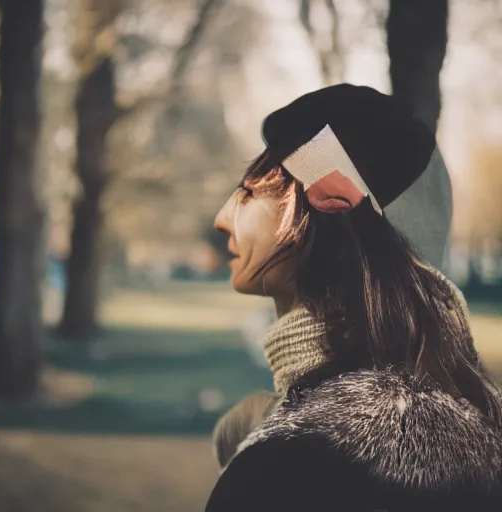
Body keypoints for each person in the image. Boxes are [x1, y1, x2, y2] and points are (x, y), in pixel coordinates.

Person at [205, 84, 502, 512]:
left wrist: (256, 467)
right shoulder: (477, 437)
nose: (221, 218)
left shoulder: (294, 467)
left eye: (251, 193)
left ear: (323, 220)